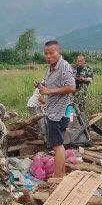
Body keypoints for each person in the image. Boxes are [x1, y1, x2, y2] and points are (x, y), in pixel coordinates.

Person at [39, 41, 76, 178]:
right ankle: (62, 173)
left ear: (58, 52)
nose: (49, 56)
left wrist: (49, 91)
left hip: (59, 113)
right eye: (46, 53)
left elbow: (71, 87)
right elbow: (52, 87)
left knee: (57, 145)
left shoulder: (64, 67)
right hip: (52, 110)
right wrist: (44, 90)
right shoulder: (50, 68)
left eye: (52, 53)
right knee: (58, 144)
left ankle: (58, 176)